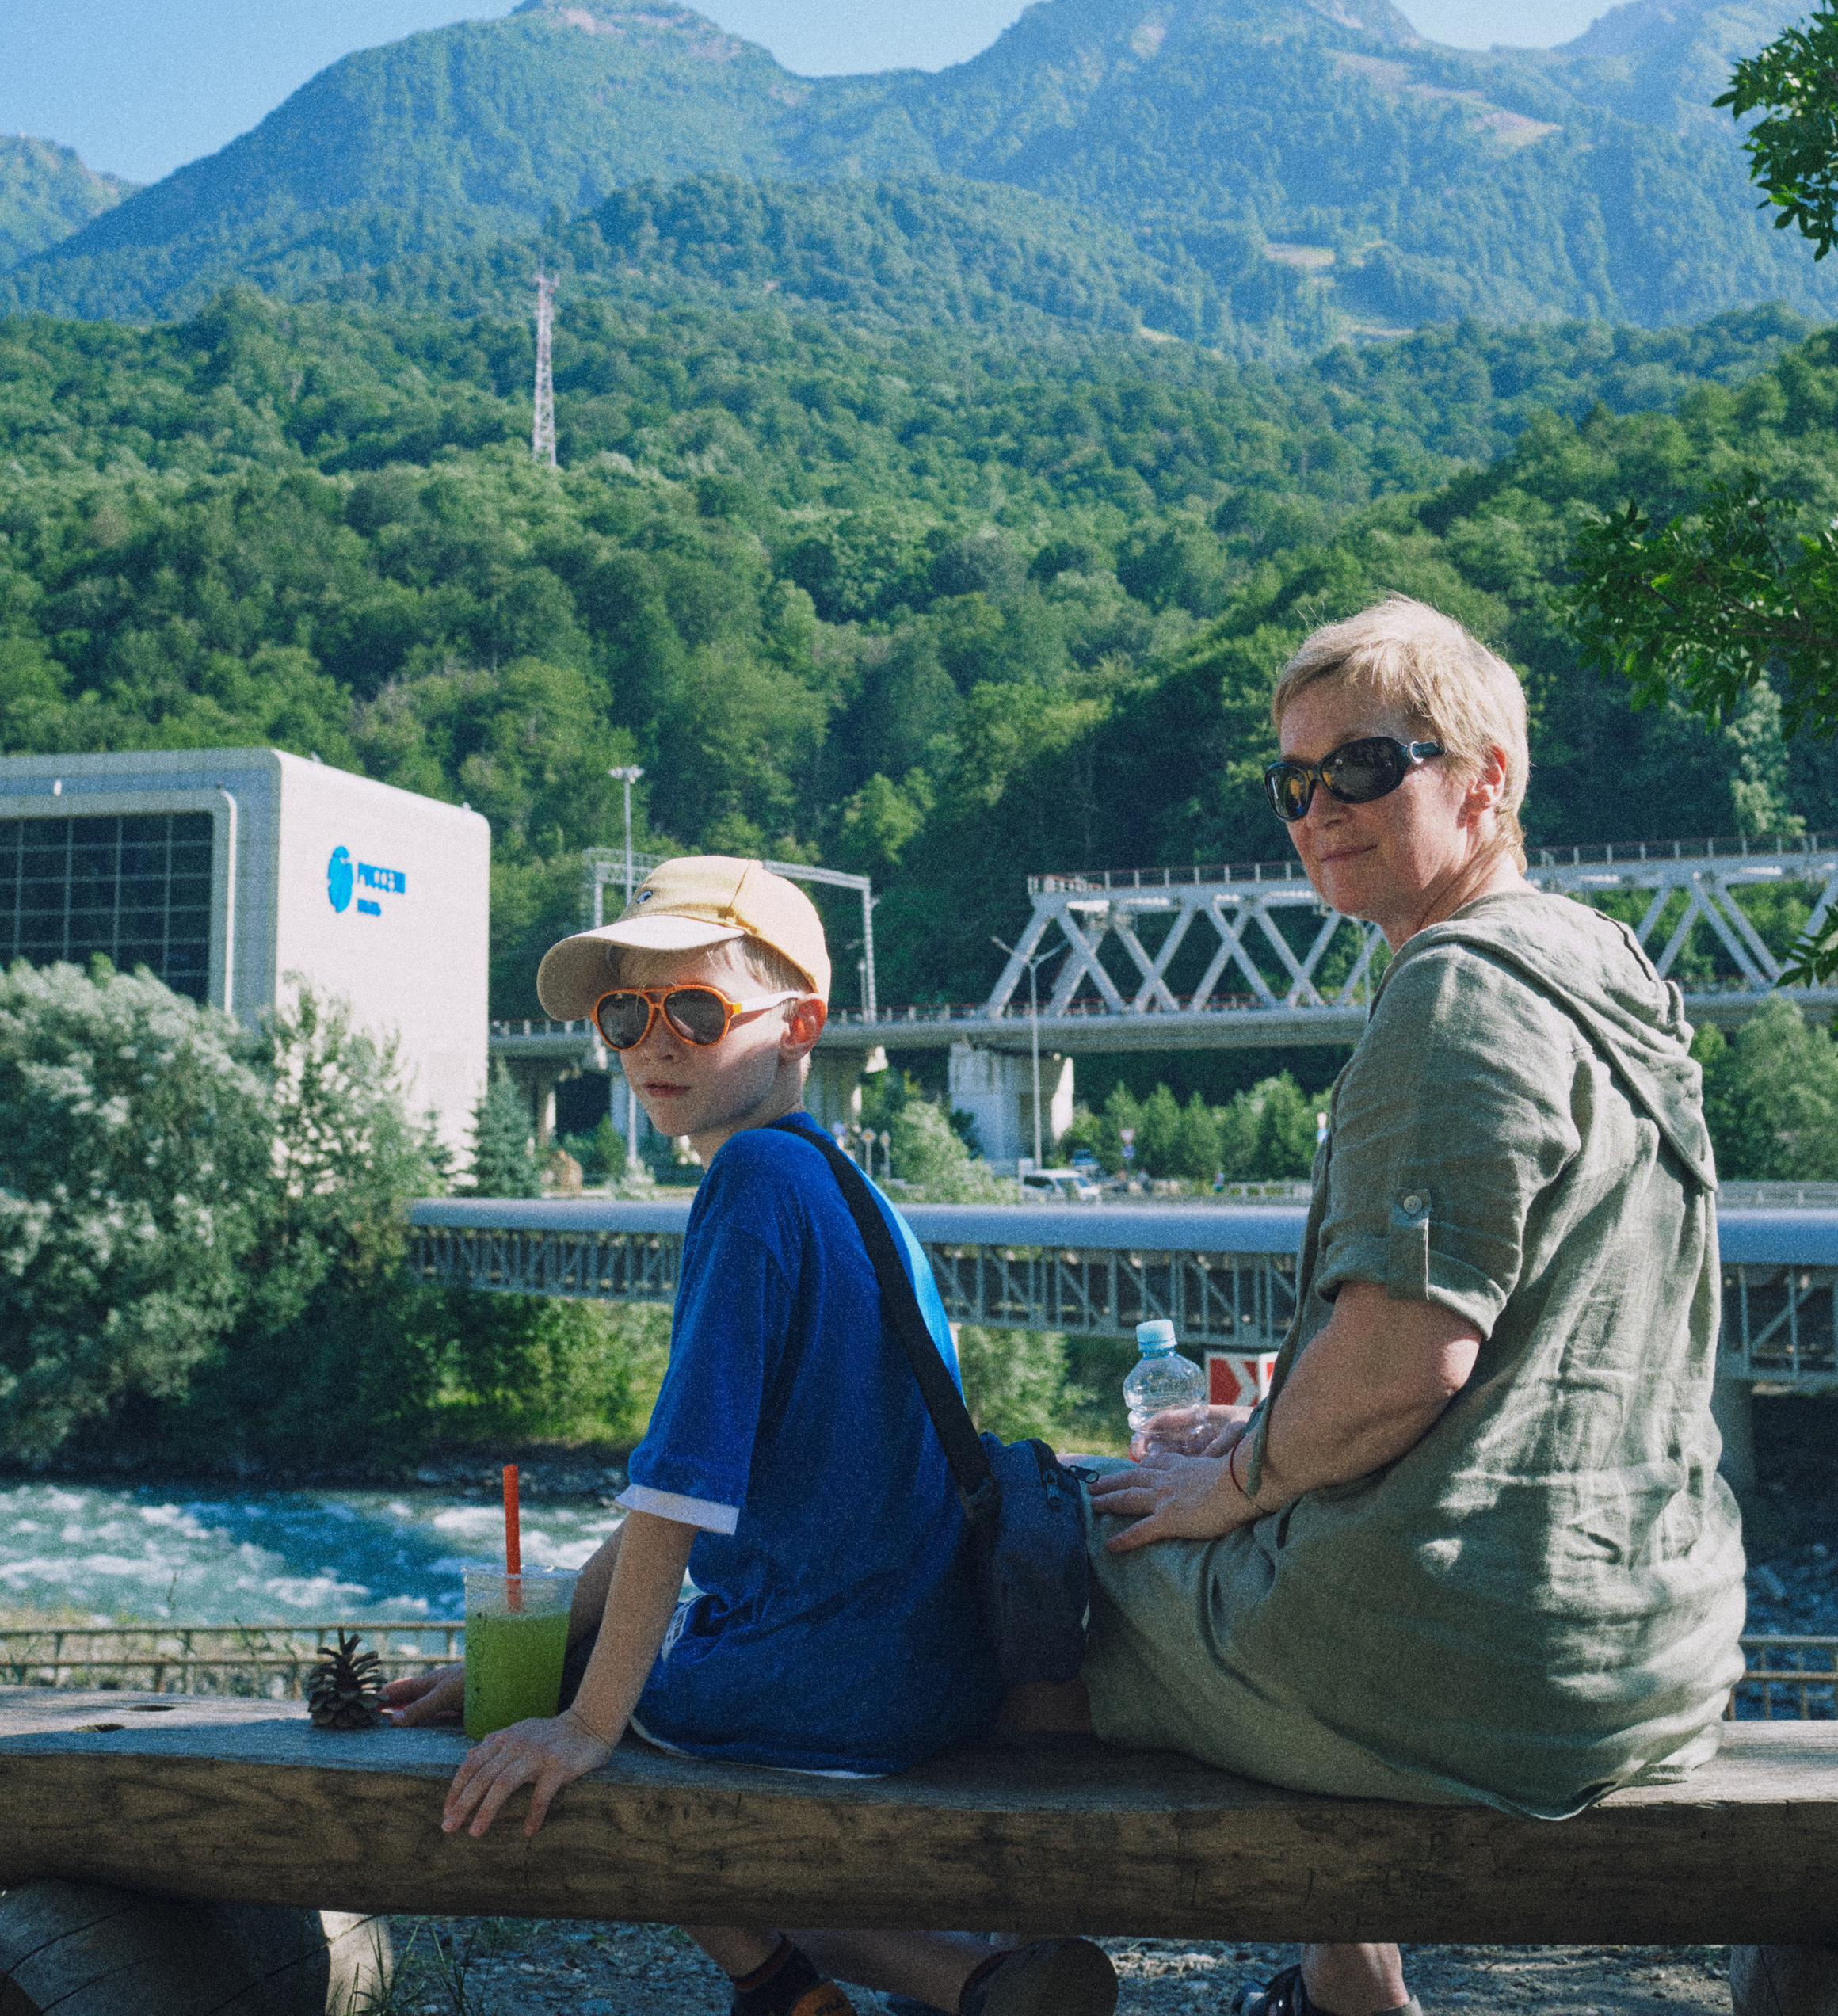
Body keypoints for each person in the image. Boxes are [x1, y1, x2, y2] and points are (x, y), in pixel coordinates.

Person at [1078, 597, 1746, 2016]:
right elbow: (1505, 1358)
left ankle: (919, 1947)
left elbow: (1403, 1362)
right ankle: (1349, 1989)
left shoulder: (1455, 995)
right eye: (1294, 782)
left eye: (1365, 767)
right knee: (1231, 1515)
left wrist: (1237, 1486)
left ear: (1485, 782)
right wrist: (1268, 1437)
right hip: (1659, 1637)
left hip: (1487, 1661)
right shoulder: (1604, 968)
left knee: (1067, 1560)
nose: (1320, 809)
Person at [384, 853, 1115, 2016]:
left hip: (822, 1684)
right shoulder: (846, 1186)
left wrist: (581, 1719)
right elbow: (690, 1492)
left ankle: (791, 1982)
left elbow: (675, 1492)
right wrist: (549, 1650)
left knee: (558, 1753)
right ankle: (969, 1985)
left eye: (695, 1009)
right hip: (930, 1669)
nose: (652, 1044)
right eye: (624, 1016)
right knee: (599, 1696)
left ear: (799, 1027)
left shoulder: (751, 1185)